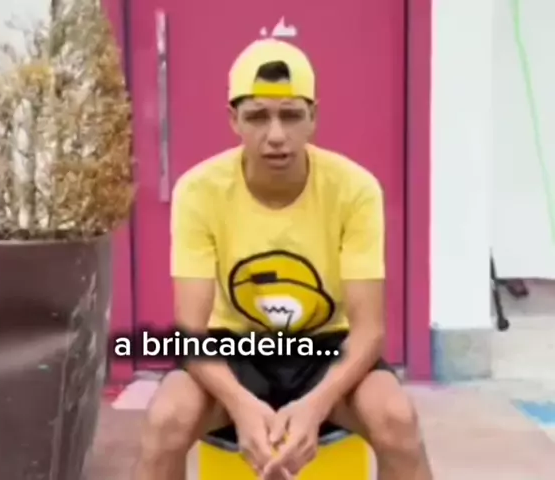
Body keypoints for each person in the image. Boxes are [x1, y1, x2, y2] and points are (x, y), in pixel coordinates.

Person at [137, 38, 433, 480]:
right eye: (258, 116)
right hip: (233, 349)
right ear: (234, 119)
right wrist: (241, 405)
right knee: (165, 421)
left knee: (397, 420)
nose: (276, 135)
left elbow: (369, 329)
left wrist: (316, 406)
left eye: (291, 115)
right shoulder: (200, 190)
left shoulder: (355, 189)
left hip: (327, 349)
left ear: (313, 117)